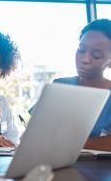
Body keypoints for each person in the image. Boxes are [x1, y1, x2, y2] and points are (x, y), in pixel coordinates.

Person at [31, 19, 111, 151]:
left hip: (103, 170)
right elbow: (37, 133)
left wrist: (67, 143)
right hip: (55, 165)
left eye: (96, 55)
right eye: (81, 50)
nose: (85, 59)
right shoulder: (60, 86)